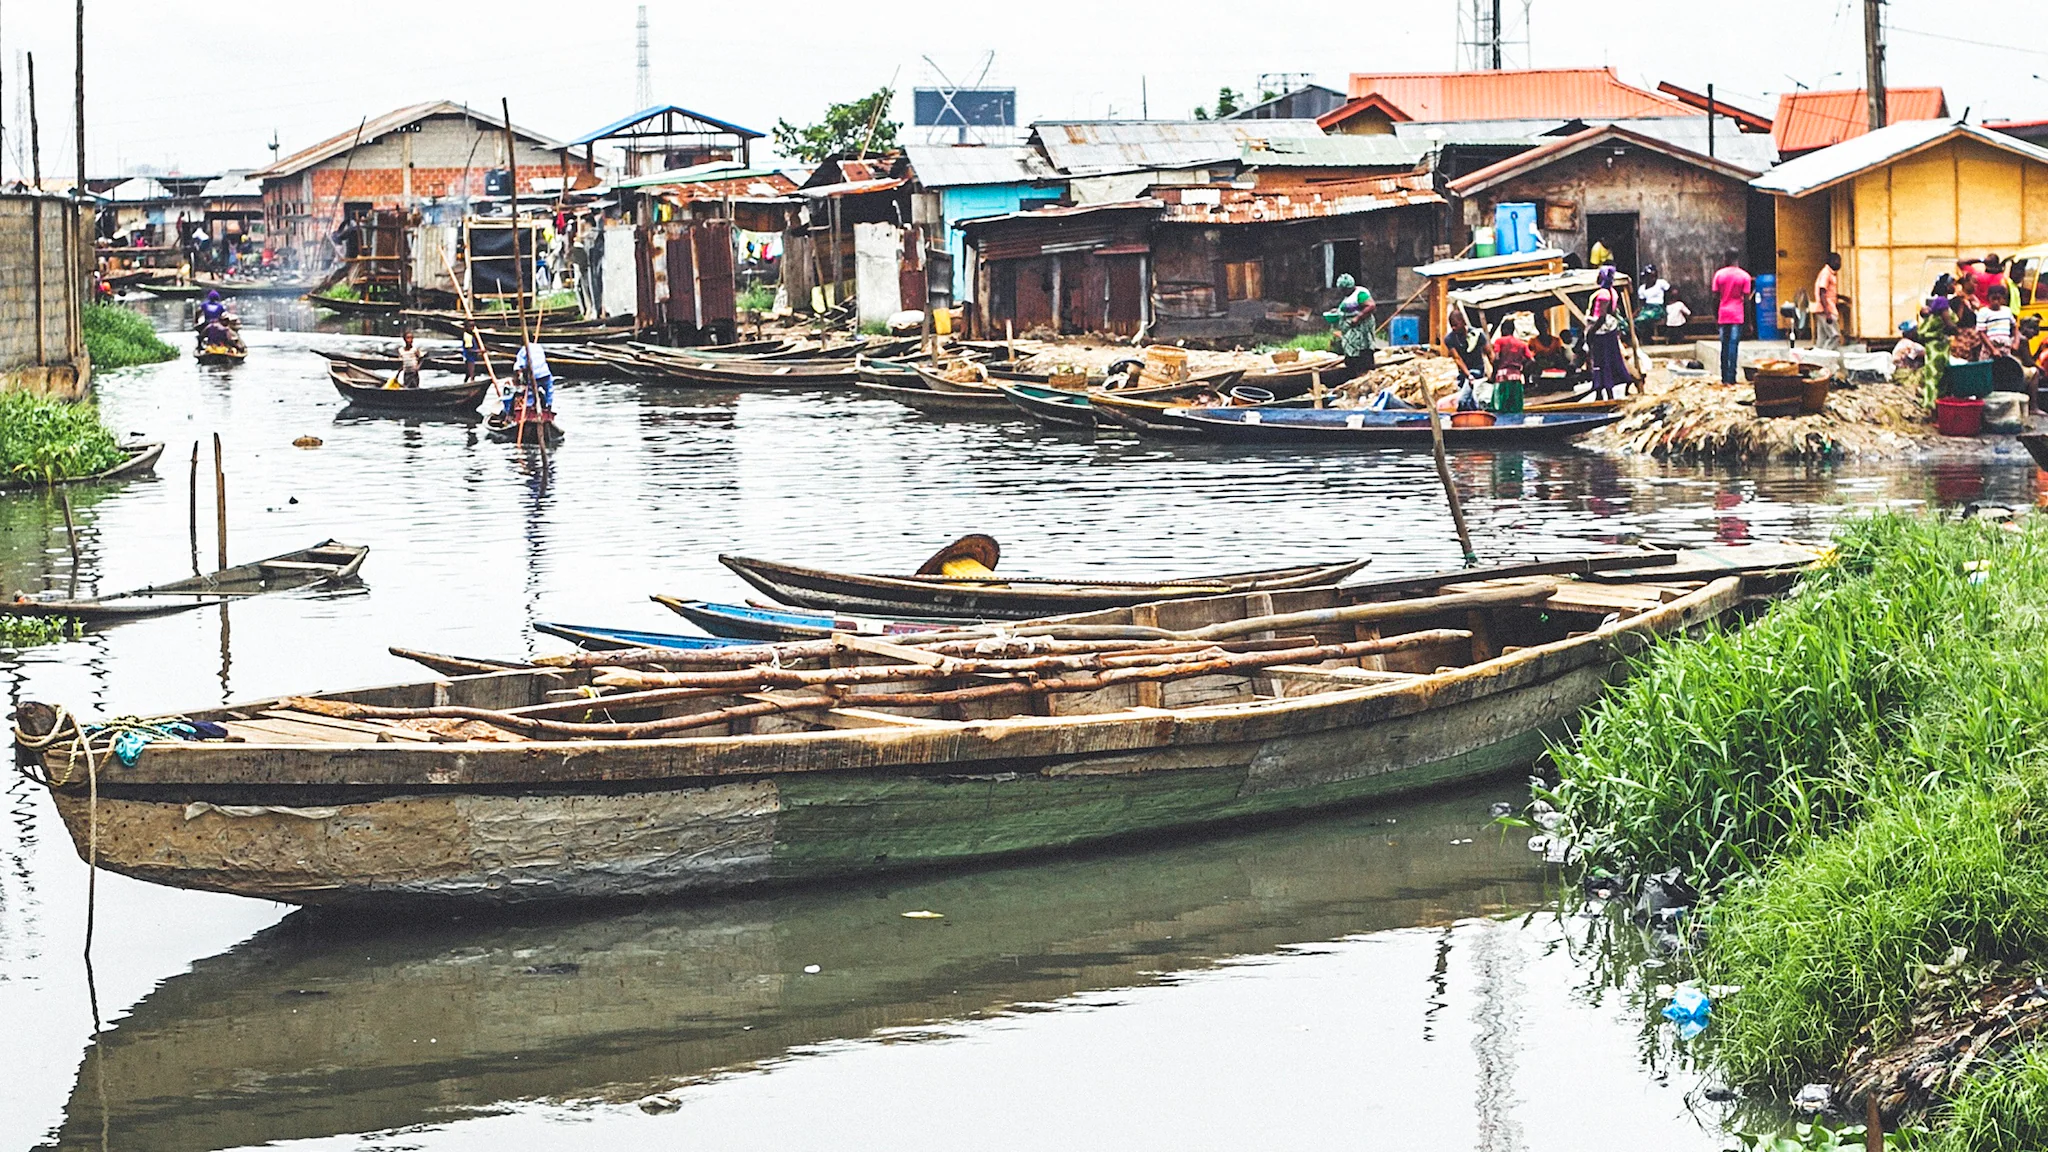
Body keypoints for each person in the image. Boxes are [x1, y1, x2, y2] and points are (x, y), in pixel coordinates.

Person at [1585, 265, 1634, 401]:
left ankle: (1604, 392)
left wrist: (1591, 332)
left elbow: (1601, 317)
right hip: (1609, 331)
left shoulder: (1603, 294)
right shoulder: (1613, 292)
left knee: (1601, 362)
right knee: (1609, 361)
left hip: (1601, 332)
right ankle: (1605, 392)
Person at [1711, 254, 1755, 384]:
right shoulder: (1744, 276)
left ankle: (1724, 377)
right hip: (1737, 315)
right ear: (1737, 259)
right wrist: (1749, 322)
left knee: (1724, 345)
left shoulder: (1719, 275)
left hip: (1723, 314)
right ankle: (1732, 377)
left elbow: (1715, 298)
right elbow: (1746, 301)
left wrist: (1716, 317)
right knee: (1733, 346)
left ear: (1725, 259)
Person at [1489, 318, 1529, 414]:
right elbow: (1531, 360)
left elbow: (1497, 358)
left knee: (1500, 407)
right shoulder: (1521, 344)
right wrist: (1522, 371)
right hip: (1516, 377)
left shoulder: (1500, 341)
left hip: (1502, 377)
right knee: (1516, 408)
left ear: (1503, 330)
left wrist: (1493, 374)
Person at [1442, 309, 1489, 387]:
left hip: (1478, 371)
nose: (1453, 328)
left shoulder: (1476, 334)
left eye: (1456, 325)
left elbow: (1489, 352)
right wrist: (1469, 375)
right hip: (1464, 373)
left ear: (1463, 322)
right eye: (1452, 325)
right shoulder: (1449, 339)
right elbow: (1457, 358)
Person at [510, 341, 555, 417]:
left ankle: (528, 413)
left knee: (530, 394)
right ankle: (549, 407)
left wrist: (524, 376)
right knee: (549, 390)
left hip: (534, 375)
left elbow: (521, 365)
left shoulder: (523, 350)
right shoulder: (539, 346)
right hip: (545, 373)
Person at [1812, 253, 1843, 351]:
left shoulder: (1829, 273)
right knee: (1835, 336)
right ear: (1831, 261)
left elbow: (1828, 292)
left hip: (1823, 310)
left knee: (1822, 338)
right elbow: (1822, 292)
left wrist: (1841, 297)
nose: (1839, 264)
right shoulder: (1826, 273)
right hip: (1826, 310)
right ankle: (1826, 355)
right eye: (1837, 261)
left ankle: (1818, 355)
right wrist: (1827, 313)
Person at [1979, 283, 2019, 355]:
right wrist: (1993, 349)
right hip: (1990, 346)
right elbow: (1981, 333)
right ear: (1988, 298)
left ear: (2003, 299)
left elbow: (2015, 326)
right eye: (1993, 298)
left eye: (1998, 299)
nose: (1996, 302)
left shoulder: (2007, 311)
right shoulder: (1983, 312)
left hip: (2006, 345)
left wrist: (2016, 342)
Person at [1635, 264, 1670, 338]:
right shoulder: (1642, 288)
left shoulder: (1661, 283)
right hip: (1647, 308)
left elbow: (1671, 293)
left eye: (1654, 275)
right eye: (1649, 276)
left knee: (1641, 319)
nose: (1652, 278)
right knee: (1633, 320)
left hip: (1657, 309)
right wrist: (1635, 313)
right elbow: (1642, 304)